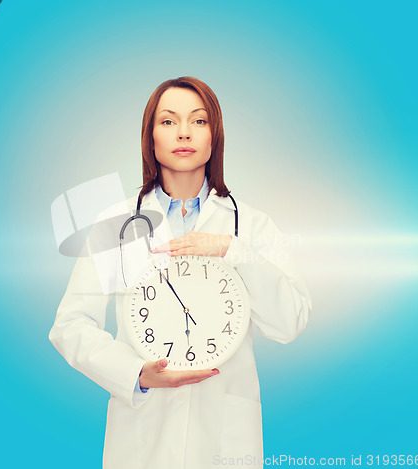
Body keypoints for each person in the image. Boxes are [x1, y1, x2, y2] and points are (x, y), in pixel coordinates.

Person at [49, 76, 312, 469]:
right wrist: (136, 373)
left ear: (214, 137)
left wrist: (233, 250)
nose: (184, 132)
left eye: (199, 121)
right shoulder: (116, 224)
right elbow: (70, 325)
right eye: (168, 121)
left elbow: (290, 321)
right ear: (150, 137)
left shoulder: (251, 226)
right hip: (141, 434)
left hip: (225, 437)